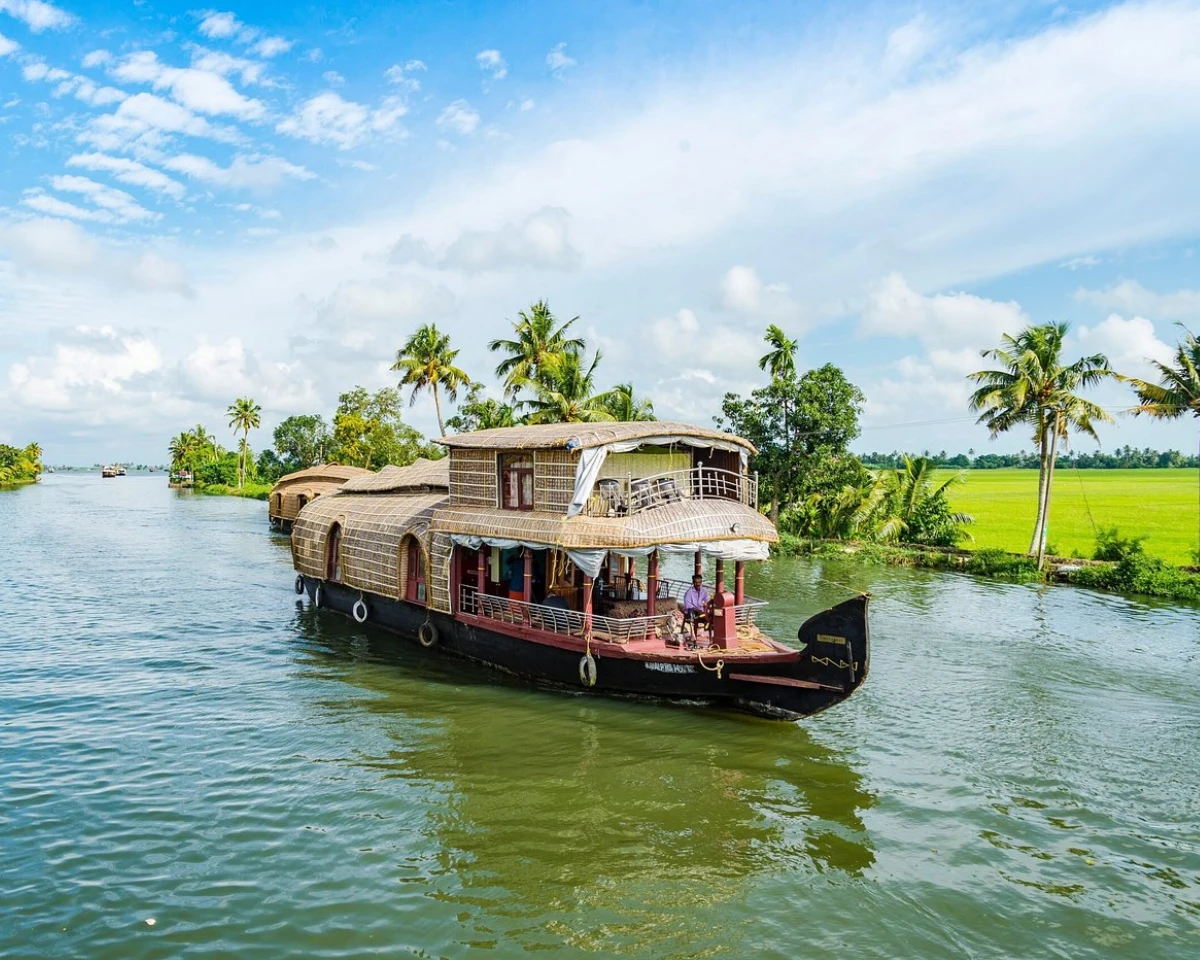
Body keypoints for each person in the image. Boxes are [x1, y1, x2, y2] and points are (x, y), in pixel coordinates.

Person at [681, 574, 710, 642]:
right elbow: (687, 606)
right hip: (690, 612)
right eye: (696, 582)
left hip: (701, 612)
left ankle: (706, 631)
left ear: (701, 582)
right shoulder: (689, 592)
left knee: (710, 617)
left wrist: (706, 605)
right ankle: (693, 635)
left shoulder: (704, 591)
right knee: (692, 612)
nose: (698, 584)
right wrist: (697, 610)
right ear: (693, 582)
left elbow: (707, 602)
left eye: (699, 582)